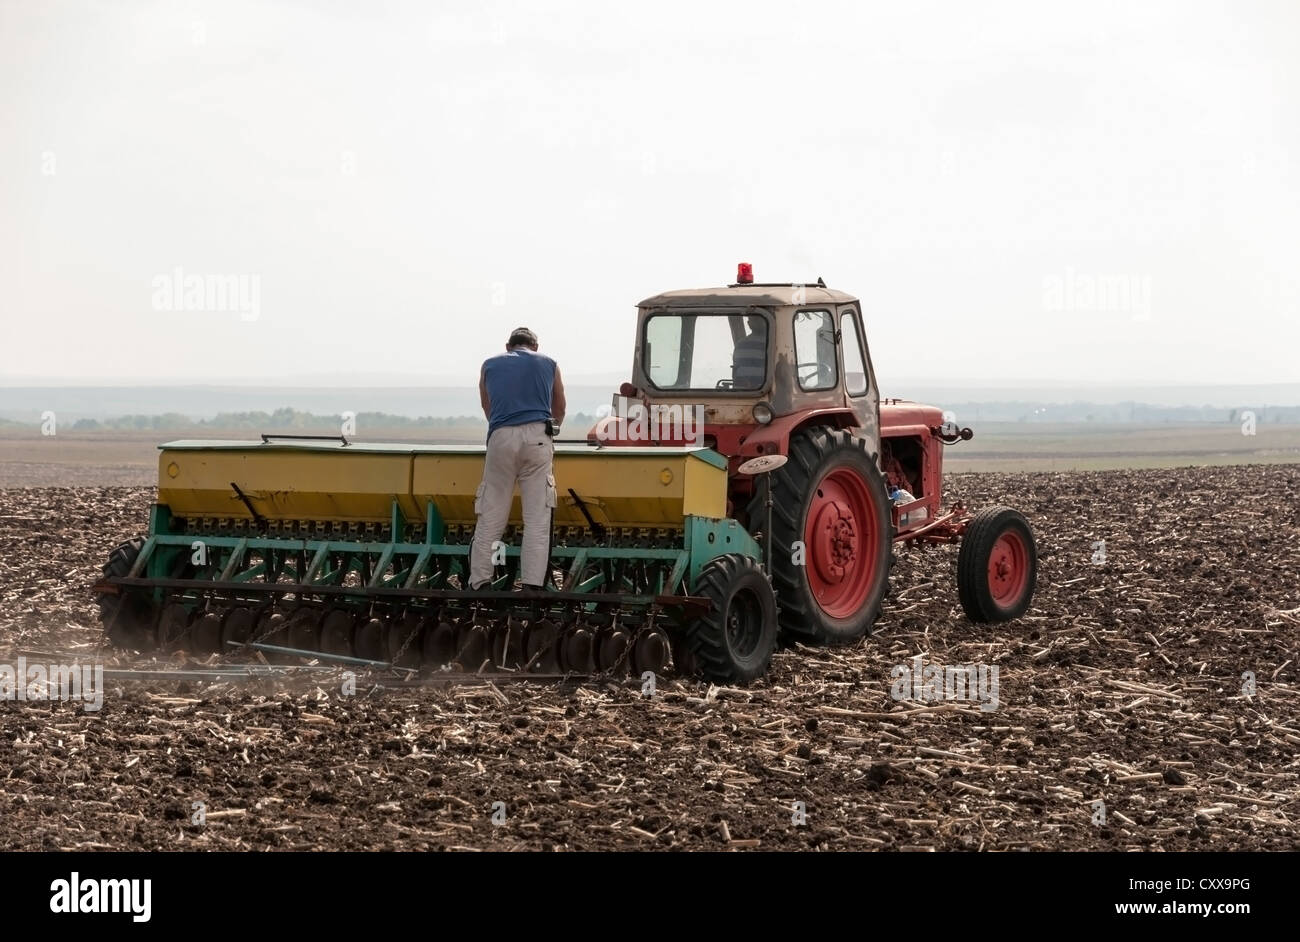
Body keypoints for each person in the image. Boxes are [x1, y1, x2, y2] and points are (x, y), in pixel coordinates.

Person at [468, 327, 567, 591]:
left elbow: (487, 406)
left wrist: (504, 429)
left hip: (500, 438)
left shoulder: (488, 365)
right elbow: (559, 407)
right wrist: (548, 431)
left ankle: (480, 582)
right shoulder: (549, 363)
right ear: (535, 346)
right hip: (537, 437)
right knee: (536, 517)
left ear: (508, 345)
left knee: (491, 515)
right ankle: (532, 585)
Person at [731, 315, 768, 388]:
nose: (759, 323)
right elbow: (736, 371)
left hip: (760, 392)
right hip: (744, 393)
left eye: (760, 319)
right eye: (755, 319)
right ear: (749, 323)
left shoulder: (774, 343)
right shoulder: (740, 345)